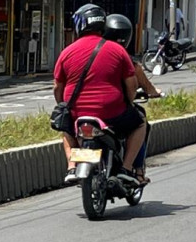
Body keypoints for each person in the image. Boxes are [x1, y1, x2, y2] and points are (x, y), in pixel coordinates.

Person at [53, 3, 147, 185]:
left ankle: (72, 166)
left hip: (78, 114)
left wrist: (64, 106)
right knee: (140, 123)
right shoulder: (117, 50)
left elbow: (58, 87)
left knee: (66, 127)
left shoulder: (66, 52)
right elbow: (132, 85)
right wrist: (128, 101)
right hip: (112, 113)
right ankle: (127, 168)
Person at [104, 13, 160, 184]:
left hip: (83, 111)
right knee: (140, 122)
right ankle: (132, 169)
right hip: (115, 110)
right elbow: (139, 85)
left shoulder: (90, 53)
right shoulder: (126, 59)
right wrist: (152, 92)